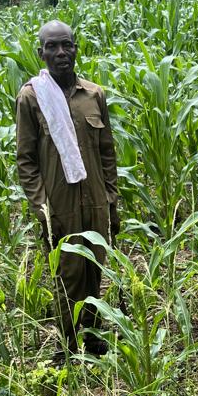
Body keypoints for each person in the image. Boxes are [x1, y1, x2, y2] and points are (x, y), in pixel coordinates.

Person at [16, 20, 120, 357]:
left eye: (67, 45)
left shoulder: (93, 95)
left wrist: (111, 200)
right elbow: (26, 160)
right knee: (68, 273)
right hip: (59, 204)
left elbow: (107, 152)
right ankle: (68, 344)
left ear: (76, 48)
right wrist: (41, 206)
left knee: (94, 269)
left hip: (96, 200)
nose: (61, 53)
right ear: (41, 53)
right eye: (52, 46)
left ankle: (92, 335)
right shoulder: (32, 97)